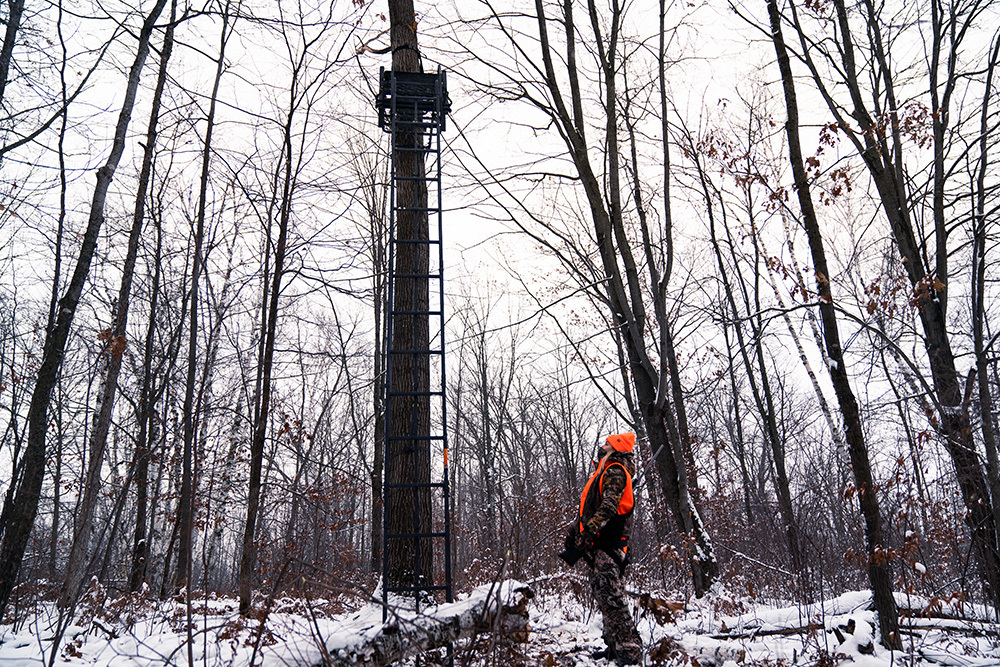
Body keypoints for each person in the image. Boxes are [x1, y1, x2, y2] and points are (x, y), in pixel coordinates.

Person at [564, 432, 642, 665]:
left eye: (606, 443)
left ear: (616, 447)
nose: (602, 445)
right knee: (602, 592)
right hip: (600, 543)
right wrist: (575, 532)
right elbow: (591, 508)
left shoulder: (615, 471)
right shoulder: (605, 470)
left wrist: (589, 531)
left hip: (609, 543)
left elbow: (609, 507)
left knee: (612, 596)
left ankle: (629, 650)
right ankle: (614, 646)